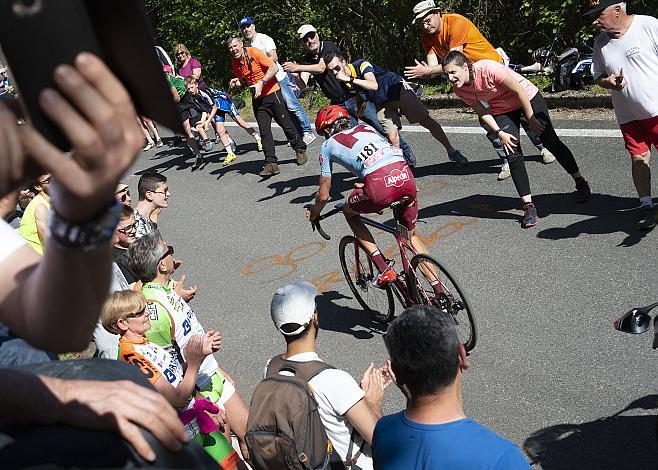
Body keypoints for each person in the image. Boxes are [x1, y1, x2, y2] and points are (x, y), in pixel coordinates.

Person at [0, 52, 192, 464]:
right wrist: (66, 395)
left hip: (26, 361)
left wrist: (87, 198)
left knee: (132, 394)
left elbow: (60, 329)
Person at [128, 231, 250, 459]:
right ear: (160, 266)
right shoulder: (153, 312)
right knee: (228, 458)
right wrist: (199, 401)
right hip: (198, 391)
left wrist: (217, 368)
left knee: (251, 435)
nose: (172, 254)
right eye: (168, 251)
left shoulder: (167, 289)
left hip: (211, 376)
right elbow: (168, 368)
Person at [405, 0, 556, 180]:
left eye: (427, 19)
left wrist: (429, 71)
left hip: (491, 71)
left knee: (517, 109)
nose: (425, 24)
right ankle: (507, 159)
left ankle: (543, 146)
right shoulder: (426, 36)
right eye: (421, 22)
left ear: (438, 13)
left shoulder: (455, 22)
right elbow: (434, 66)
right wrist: (426, 73)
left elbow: (455, 59)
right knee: (487, 119)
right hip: (467, 80)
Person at [442, 51, 592, 228]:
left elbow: (518, 90)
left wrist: (531, 119)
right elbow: (482, 111)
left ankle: (580, 181)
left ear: (465, 66)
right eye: (447, 74)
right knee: (512, 152)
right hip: (502, 109)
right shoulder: (460, 90)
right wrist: (499, 132)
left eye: (453, 72)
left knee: (550, 141)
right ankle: (528, 206)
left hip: (527, 98)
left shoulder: (489, 68)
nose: (450, 77)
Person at [372, 305, 531, 469]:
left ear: (396, 373)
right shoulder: (502, 457)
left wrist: (373, 405)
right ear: (462, 355)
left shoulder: (384, 431)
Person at [101, 291, 247, 468]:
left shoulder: (144, 343)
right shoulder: (131, 357)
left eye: (144, 307)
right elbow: (176, 399)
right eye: (139, 312)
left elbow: (177, 377)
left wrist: (199, 354)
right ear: (122, 323)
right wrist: (194, 363)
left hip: (197, 425)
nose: (147, 312)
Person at [306, 105, 436, 286]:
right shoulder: (365, 128)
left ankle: (384, 269)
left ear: (327, 129)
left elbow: (324, 194)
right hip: (404, 175)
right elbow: (379, 157)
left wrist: (314, 211)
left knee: (349, 212)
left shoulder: (327, 145)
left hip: (379, 186)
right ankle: (439, 290)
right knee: (411, 236)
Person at [268, 280, 389, 469]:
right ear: (315, 318)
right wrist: (372, 403)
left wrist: (354, 396)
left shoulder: (271, 368)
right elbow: (383, 442)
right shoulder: (334, 380)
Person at [283, 25, 418, 167]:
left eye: (311, 36)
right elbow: (302, 85)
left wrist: (298, 67)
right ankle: (368, 168)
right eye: (305, 39)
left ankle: (406, 153)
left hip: (356, 97)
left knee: (383, 128)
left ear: (317, 34)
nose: (310, 41)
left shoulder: (328, 46)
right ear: (302, 43)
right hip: (338, 104)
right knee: (356, 140)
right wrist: (296, 75)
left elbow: (322, 67)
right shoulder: (306, 60)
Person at [325, 51, 468, 167]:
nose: (336, 73)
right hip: (381, 102)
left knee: (426, 122)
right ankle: (402, 169)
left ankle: (451, 150)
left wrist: (349, 79)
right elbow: (357, 95)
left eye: (337, 68)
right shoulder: (343, 81)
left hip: (397, 90)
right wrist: (359, 106)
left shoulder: (361, 65)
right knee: (392, 136)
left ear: (344, 62)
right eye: (332, 71)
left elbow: (373, 85)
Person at [587, 0, 658, 230]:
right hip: (628, 116)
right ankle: (646, 207)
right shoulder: (600, 43)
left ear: (617, 10)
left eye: (599, 14)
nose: (595, 20)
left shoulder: (648, 26)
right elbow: (598, 75)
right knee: (639, 158)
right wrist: (607, 82)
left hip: (656, 111)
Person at [227, 36, 308, 177]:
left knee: (286, 124)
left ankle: (300, 149)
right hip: (257, 98)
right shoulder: (235, 63)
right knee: (264, 131)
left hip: (272, 93)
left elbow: (274, 67)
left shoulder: (254, 52)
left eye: (235, 46)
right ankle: (271, 163)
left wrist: (262, 82)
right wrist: (237, 82)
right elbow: (243, 80)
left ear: (241, 44)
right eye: (230, 48)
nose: (233, 50)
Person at [239, 16, 316, 144]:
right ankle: (298, 135)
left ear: (254, 26)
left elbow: (273, 57)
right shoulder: (247, 46)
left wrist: (262, 70)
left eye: (248, 26)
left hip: (278, 78)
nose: (246, 29)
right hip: (267, 83)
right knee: (283, 109)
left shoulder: (264, 39)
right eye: (243, 28)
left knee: (292, 105)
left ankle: (308, 132)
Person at [207, 87, 263, 164]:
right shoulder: (194, 96)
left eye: (191, 88)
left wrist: (207, 121)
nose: (190, 90)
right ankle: (230, 153)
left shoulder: (204, 91)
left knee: (241, 123)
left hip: (226, 104)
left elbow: (220, 96)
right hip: (217, 110)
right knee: (219, 130)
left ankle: (258, 138)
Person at [17, 174, 51, 255]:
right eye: (50, 180)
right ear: (37, 187)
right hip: (34, 260)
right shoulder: (40, 206)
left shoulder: (49, 204)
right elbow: (50, 242)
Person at [134, 172, 168, 238]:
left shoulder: (145, 218)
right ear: (149, 195)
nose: (168, 194)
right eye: (164, 191)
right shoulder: (137, 225)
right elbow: (154, 246)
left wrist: (154, 217)